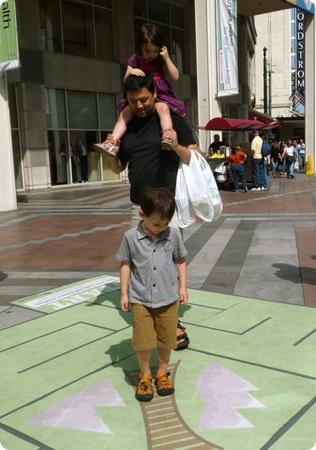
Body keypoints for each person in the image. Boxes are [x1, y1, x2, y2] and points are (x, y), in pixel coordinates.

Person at [103, 73, 199, 349]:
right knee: (141, 264)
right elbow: (117, 168)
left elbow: (196, 155)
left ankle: (172, 320)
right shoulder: (128, 125)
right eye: (133, 101)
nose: (140, 105)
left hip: (169, 208)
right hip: (139, 208)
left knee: (168, 264)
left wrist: (176, 146)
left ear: (154, 93)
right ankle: (146, 315)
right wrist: (110, 152)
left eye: (144, 99)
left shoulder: (172, 120)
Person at [117, 187, 188, 402]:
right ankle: (145, 375)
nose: (161, 228)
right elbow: (125, 264)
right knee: (143, 340)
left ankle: (162, 373)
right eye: (156, 223)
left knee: (167, 339)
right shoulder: (130, 237)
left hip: (168, 298)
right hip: (140, 299)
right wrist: (123, 293)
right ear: (142, 214)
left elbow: (180, 260)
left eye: (165, 223)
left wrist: (183, 286)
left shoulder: (173, 234)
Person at [94, 23, 185, 155]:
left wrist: (166, 58)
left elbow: (175, 76)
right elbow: (125, 80)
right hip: (141, 92)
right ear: (140, 48)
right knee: (124, 114)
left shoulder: (160, 60)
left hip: (159, 93)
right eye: (148, 51)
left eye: (155, 51)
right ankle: (111, 142)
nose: (152, 54)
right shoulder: (135, 60)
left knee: (163, 108)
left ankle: (167, 135)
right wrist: (133, 71)